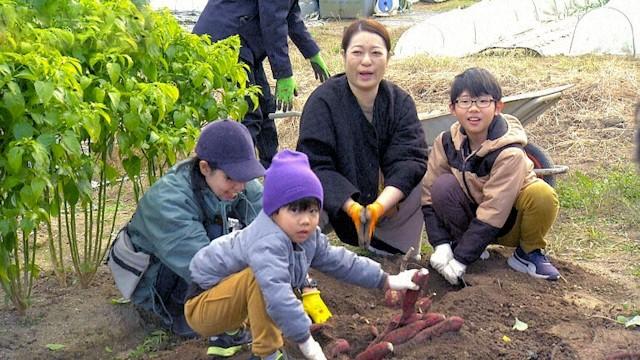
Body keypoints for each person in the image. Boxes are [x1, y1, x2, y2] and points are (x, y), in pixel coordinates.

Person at [184, 149, 426, 360]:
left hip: (227, 300)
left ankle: (232, 335)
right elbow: (277, 295)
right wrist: (305, 342)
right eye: (295, 210)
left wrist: (385, 279)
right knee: (262, 280)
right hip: (201, 306)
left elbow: (340, 261)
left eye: (312, 210)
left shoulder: (306, 235)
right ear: (274, 211)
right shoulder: (266, 241)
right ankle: (266, 354)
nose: (305, 220)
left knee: (271, 285)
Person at [126, 120, 264, 355]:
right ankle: (179, 314)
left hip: (195, 256)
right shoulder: (169, 203)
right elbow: (203, 266)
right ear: (204, 168)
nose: (240, 185)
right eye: (232, 178)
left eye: (245, 176)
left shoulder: (232, 178)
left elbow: (271, 221)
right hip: (156, 281)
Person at [296, 19, 428, 257]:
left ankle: (390, 246)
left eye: (376, 53)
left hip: (383, 204)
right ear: (344, 55)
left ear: (388, 57)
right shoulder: (323, 102)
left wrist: (379, 206)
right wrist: (351, 207)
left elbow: (409, 159)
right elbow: (316, 163)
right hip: (332, 205)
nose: (366, 61)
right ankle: (301, 251)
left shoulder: (399, 102)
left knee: (425, 178)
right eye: (357, 52)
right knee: (301, 185)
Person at [421, 67, 561, 285]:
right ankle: (465, 245)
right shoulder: (446, 142)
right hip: (472, 219)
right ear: (453, 108)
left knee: (541, 194)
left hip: (509, 223)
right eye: (465, 101)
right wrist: (440, 244)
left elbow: (494, 210)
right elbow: (428, 194)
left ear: (498, 107)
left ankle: (528, 253)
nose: (474, 109)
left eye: (483, 101)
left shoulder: (509, 152)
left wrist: (459, 260)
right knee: (442, 186)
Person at [192, 0, 331, 168]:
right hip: (226, 41)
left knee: (265, 107)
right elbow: (273, 21)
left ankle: (272, 169)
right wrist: (284, 74)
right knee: (250, 112)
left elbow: (290, 14)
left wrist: (312, 52)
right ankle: (241, 176)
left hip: (241, 40)